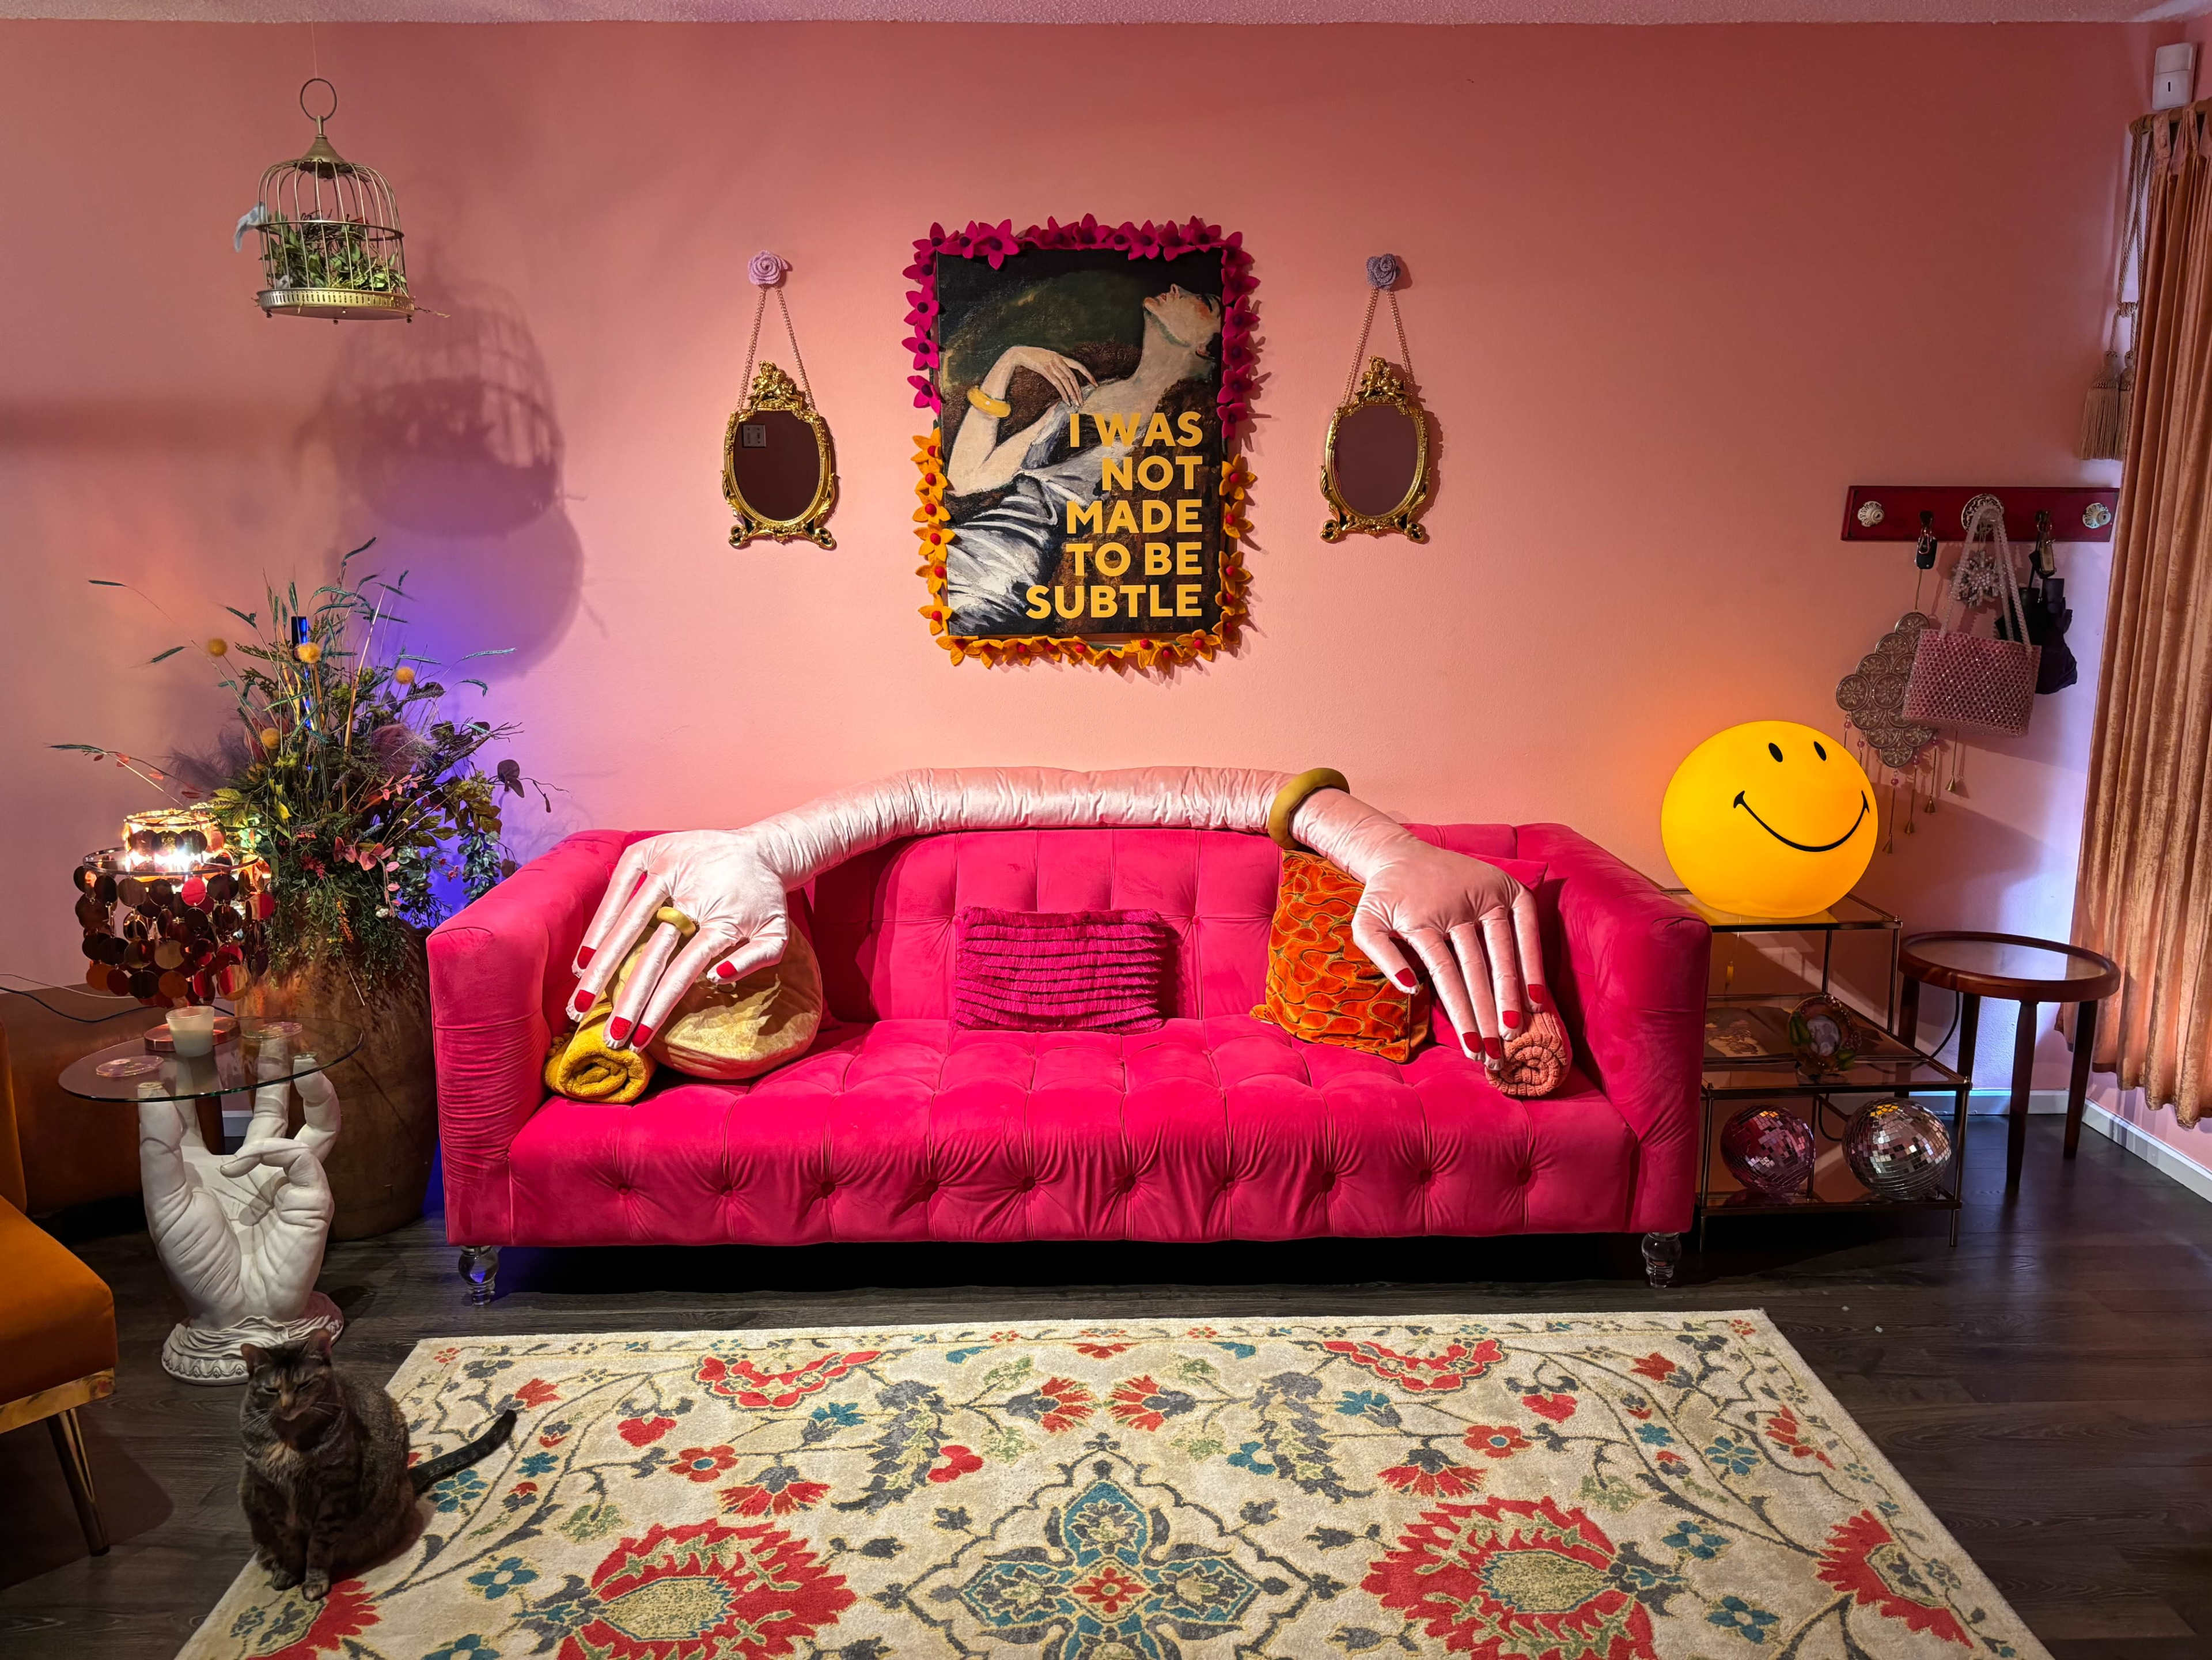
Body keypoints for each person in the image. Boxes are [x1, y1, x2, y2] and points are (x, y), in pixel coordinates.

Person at [942, 286, 1223, 634]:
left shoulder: (1185, 430)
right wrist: (1010, 360)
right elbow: (965, 478)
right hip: (959, 548)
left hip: (997, 583)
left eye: (1205, 302)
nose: (1178, 289)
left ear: (1207, 347)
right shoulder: (1085, 394)